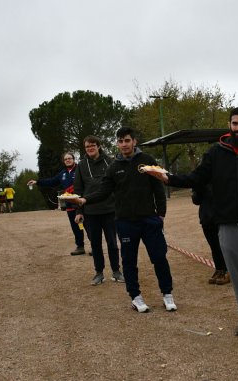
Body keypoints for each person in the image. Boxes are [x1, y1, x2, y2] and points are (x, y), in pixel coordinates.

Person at [145, 107, 238, 337]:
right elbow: (196, 178)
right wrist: (167, 178)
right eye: (235, 124)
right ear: (229, 125)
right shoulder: (216, 153)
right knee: (236, 274)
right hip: (227, 225)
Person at [69, 127, 176, 313]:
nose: (124, 144)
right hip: (125, 222)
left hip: (150, 220)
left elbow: (158, 189)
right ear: (117, 144)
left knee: (159, 257)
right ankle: (135, 297)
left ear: (134, 141)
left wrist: (161, 215)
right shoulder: (114, 167)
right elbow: (103, 191)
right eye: (120, 141)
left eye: (127, 140)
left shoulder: (147, 161)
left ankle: (167, 294)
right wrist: (85, 200)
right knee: (129, 261)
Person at [74, 135, 124, 286]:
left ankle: (116, 271)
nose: (90, 148)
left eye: (92, 145)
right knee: (95, 244)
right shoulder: (81, 165)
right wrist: (79, 211)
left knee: (112, 243)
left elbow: (118, 185)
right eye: (87, 146)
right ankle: (99, 273)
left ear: (98, 146)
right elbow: (78, 189)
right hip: (90, 212)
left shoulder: (110, 161)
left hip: (110, 210)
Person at [28, 152, 86, 255]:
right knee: (76, 227)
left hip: (82, 203)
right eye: (66, 159)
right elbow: (51, 181)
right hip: (69, 205)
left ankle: (95, 247)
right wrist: (37, 182)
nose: (68, 160)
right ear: (64, 161)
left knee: (87, 226)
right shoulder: (62, 173)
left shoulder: (80, 169)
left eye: (70, 158)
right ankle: (80, 247)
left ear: (74, 159)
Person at [191, 183, 229, 285]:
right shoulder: (200, 180)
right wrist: (198, 189)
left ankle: (227, 271)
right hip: (206, 218)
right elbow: (196, 200)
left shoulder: (220, 175)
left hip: (221, 217)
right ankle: (219, 269)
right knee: (214, 247)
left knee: (224, 245)